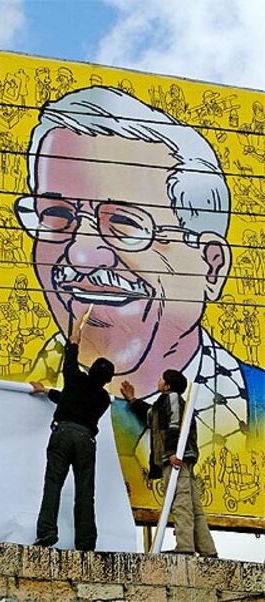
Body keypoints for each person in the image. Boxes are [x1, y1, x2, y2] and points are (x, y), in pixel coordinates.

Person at [14, 85, 263, 515]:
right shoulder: (9, 395)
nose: (81, 253)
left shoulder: (255, 408)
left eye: (126, 223)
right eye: (56, 215)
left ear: (211, 266)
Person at [30, 311, 115, 551]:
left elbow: (71, 354)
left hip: (63, 433)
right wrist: (47, 391)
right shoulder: (104, 399)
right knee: (85, 492)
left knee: (53, 484)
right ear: (107, 380)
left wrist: (77, 332)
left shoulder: (74, 378)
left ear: (89, 371)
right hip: (86, 440)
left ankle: (46, 532)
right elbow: (72, 400)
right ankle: (86, 542)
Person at [120, 370, 217, 557]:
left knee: (181, 501)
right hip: (179, 458)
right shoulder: (161, 405)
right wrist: (132, 399)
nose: (159, 380)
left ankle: (185, 547)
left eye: (162, 377)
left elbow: (174, 425)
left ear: (168, 385)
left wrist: (171, 452)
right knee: (193, 505)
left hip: (176, 459)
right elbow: (150, 415)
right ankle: (207, 550)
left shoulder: (172, 398)